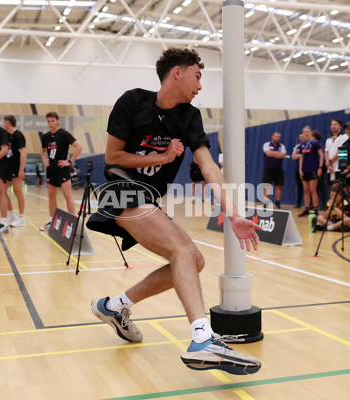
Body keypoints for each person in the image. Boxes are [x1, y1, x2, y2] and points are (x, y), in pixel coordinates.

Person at [86, 48, 261, 375]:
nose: (200, 85)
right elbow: (113, 157)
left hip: (148, 200)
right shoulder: (133, 101)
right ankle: (202, 338)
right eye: (197, 75)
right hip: (119, 191)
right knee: (182, 251)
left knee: (193, 260)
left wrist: (234, 213)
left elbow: (207, 165)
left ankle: (115, 306)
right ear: (177, 73)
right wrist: (162, 158)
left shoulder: (189, 117)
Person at [39, 112, 83, 231]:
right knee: (51, 196)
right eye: (48, 121)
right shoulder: (46, 136)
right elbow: (43, 151)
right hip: (51, 170)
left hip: (62, 170)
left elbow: (79, 146)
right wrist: (45, 161)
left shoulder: (64, 134)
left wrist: (69, 161)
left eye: (52, 121)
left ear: (58, 121)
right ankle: (52, 221)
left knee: (67, 195)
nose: (50, 123)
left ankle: (74, 223)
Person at [3, 115, 27, 227]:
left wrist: (21, 170)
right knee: (2, 191)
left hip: (17, 168)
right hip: (7, 167)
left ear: (8, 122)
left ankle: (22, 218)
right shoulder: (7, 136)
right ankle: (11, 214)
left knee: (18, 191)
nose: (3, 124)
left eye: (4, 122)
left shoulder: (18, 135)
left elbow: (23, 153)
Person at [298, 126, 323, 217]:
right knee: (306, 190)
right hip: (305, 170)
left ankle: (315, 209)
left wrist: (320, 167)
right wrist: (300, 169)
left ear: (311, 132)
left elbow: (321, 155)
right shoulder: (302, 145)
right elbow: (301, 157)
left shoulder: (315, 143)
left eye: (308, 131)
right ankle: (306, 209)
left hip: (313, 170)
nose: (306, 133)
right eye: (304, 132)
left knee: (313, 190)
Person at [261, 131, 286, 208]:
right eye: (276, 136)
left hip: (278, 169)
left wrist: (272, 153)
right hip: (268, 169)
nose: (277, 138)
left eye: (279, 137)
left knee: (278, 186)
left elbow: (283, 155)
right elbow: (268, 153)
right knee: (267, 186)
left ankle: (278, 202)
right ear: (272, 137)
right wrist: (277, 154)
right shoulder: (266, 144)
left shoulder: (282, 146)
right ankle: (266, 203)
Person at [324, 118, 345, 195]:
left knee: (339, 188)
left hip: (339, 167)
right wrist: (328, 163)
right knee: (332, 187)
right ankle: (333, 205)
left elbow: (341, 151)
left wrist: (330, 161)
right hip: (330, 168)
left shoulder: (344, 137)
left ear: (340, 126)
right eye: (332, 124)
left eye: (336, 124)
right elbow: (326, 152)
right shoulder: (328, 140)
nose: (333, 126)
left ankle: (335, 205)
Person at [291, 132, 305, 208]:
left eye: (302, 136)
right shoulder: (297, 146)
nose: (301, 138)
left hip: (307, 168)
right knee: (299, 186)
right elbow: (293, 156)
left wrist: (299, 155)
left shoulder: (309, 145)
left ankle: (310, 204)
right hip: (297, 169)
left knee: (309, 187)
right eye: (300, 137)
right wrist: (300, 155)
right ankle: (298, 203)